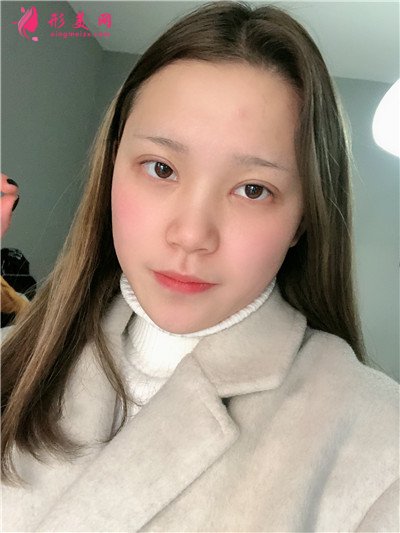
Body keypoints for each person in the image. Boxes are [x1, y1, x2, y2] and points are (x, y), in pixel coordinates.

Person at [2, 2, 398, 531]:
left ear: (304, 218)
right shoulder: (12, 359)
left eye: (253, 189)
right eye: (161, 168)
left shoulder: (383, 447)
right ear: (111, 169)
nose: (191, 235)